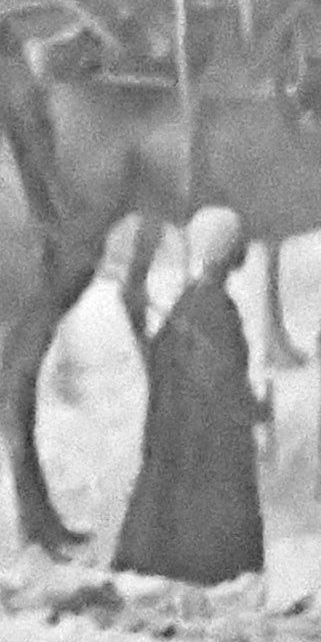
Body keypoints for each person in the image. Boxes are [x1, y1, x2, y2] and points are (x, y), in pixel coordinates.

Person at [112, 207, 267, 585]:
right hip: (210, 457)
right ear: (234, 253)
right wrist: (257, 409)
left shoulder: (187, 303)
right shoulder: (219, 311)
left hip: (176, 446)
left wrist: (137, 326)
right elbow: (223, 385)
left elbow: (161, 365)